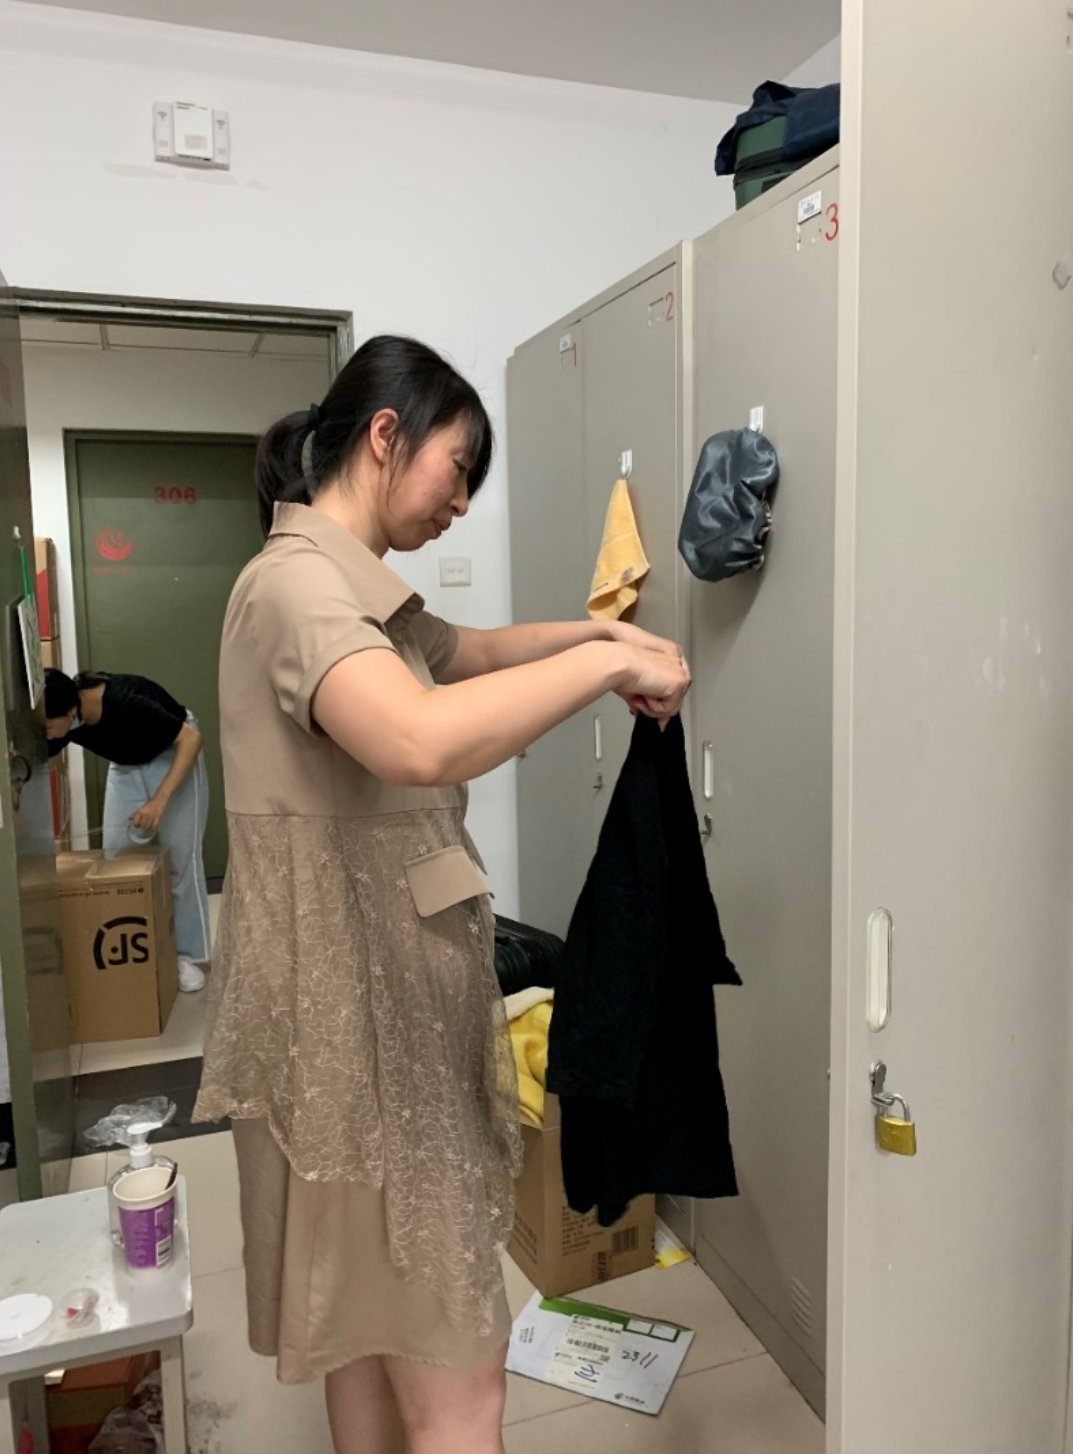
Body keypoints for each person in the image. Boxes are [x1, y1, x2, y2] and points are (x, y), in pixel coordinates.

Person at [192, 335, 689, 1454]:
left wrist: (597, 630)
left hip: (360, 1014)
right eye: (456, 469)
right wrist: (610, 669)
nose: (461, 502)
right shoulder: (297, 589)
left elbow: (472, 651)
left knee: (366, 1335)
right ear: (385, 436)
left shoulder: (352, 585)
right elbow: (417, 738)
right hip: (357, 1034)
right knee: (459, 1388)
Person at [44, 668, 211, 993]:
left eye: (49, 728)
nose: (48, 736)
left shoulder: (125, 700)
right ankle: (131, 951)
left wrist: (159, 801)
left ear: (70, 710)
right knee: (116, 861)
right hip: (125, 763)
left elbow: (191, 740)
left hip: (174, 752)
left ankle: (189, 957)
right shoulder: (61, 722)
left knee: (182, 860)